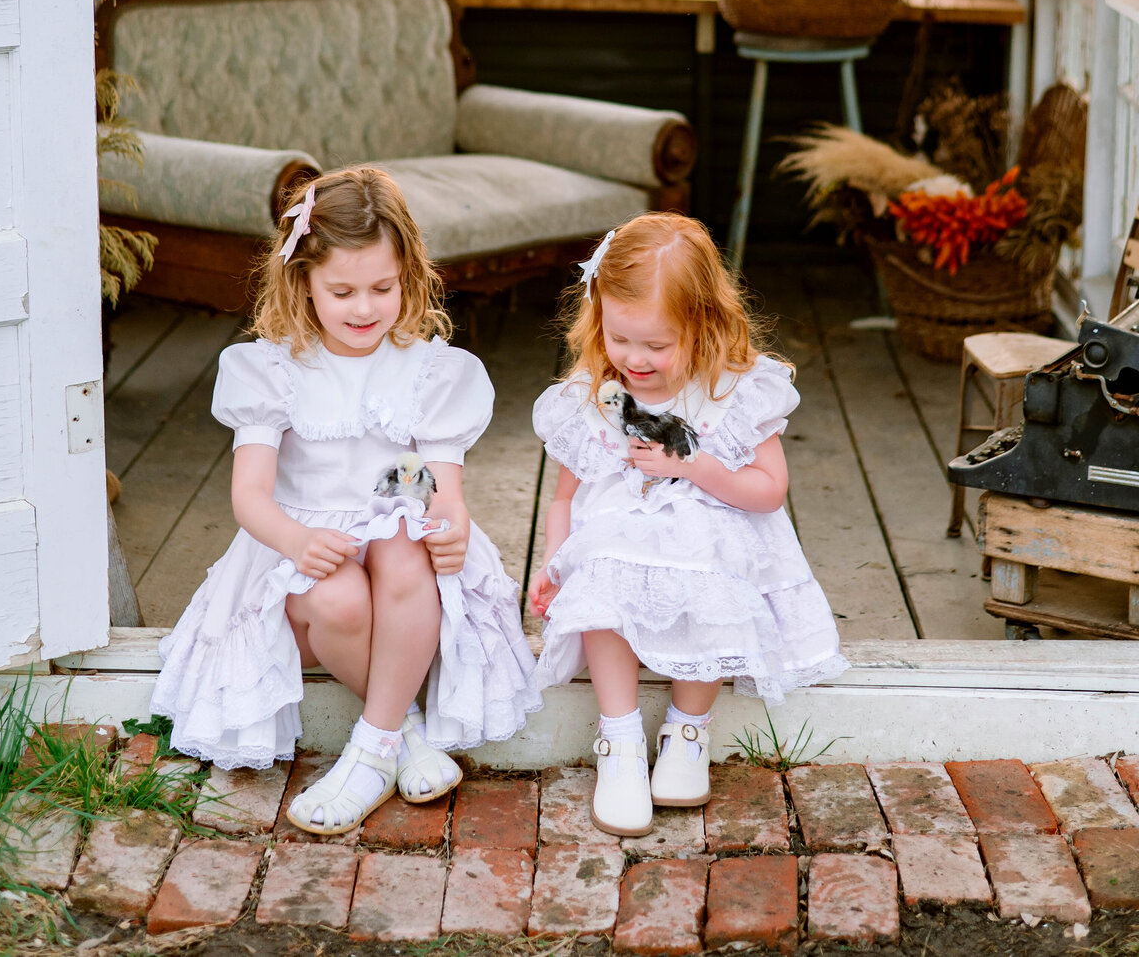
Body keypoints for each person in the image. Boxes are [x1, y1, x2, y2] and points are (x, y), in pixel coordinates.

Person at [152, 166, 541, 835]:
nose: (364, 308)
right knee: (333, 594)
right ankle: (404, 733)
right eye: (342, 291)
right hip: (307, 546)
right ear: (302, 281)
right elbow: (249, 496)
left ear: (408, 277)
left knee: (400, 536)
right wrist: (298, 542)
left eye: (382, 288)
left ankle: (370, 751)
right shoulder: (273, 368)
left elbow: (433, 482)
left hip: (398, 556)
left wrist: (450, 524)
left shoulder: (428, 369)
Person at [529, 213, 846, 838]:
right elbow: (565, 498)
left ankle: (687, 729)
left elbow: (768, 490)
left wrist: (696, 466)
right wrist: (555, 563)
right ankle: (618, 738)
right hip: (620, 538)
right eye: (621, 339)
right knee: (601, 578)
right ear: (600, 320)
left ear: (703, 324)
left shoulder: (733, 392)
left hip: (711, 530)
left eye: (657, 344)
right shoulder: (595, 395)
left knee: (712, 571)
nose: (635, 360)